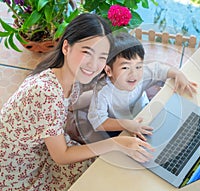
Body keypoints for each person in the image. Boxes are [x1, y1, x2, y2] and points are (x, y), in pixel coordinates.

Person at [0, 13, 154, 191]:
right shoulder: (46, 93)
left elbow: (72, 103)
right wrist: (117, 144)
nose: (93, 64)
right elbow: (61, 156)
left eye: (102, 56)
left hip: (42, 149)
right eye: (87, 52)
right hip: (19, 171)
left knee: (113, 169)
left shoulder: (67, 76)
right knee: (106, 174)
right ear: (66, 47)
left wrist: (116, 94)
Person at [88, 32, 198, 141]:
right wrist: (126, 124)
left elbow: (160, 70)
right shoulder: (102, 91)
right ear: (109, 70)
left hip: (144, 112)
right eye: (125, 68)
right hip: (119, 126)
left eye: (138, 66)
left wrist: (178, 74)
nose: (134, 74)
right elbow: (98, 122)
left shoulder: (142, 74)